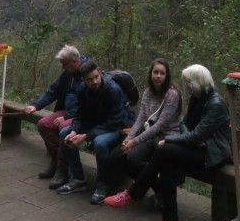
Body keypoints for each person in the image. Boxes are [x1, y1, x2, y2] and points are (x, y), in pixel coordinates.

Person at [104, 64, 231, 221]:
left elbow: (194, 136)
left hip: (213, 154)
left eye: (189, 82)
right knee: (166, 163)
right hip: (197, 146)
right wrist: (190, 136)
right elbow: (184, 124)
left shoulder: (215, 104)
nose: (187, 85)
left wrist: (171, 139)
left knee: (165, 150)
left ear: (198, 82)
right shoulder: (197, 97)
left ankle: (134, 194)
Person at [56, 60, 136, 205]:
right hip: (95, 123)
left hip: (116, 126)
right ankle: (79, 179)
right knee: (64, 134)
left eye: (96, 77)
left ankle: (102, 184)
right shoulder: (82, 89)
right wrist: (74, 130)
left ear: (100, 72)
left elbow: (115, 121)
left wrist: (86, 136)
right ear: (83, 80)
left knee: (100, 143)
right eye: (89, 79)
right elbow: (79, 114)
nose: (94, 81)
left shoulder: (113, 90)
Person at [105, 58, 182, 197]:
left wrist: (134, 141)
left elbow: (159, 125)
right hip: (151, 136)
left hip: (167, 138)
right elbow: (141, 119)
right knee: (124, 157)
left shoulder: (172, 95)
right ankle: (160, 190)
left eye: (162, 73)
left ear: (167, 76)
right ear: (150, 73)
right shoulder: (147, 92)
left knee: (138, 160)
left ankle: (151, 193)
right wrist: (128, 139)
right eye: (155, 72)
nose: (158, 76)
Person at [23, 45, 86, 189]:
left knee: (63, 128)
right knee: (44, 124)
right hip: (67, 112)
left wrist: (68, 116)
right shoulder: (67, 74)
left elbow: (89, 103)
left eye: (64, 64)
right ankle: (56, 160)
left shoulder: (88, 73)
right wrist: (36, 105)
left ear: (75, 61)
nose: (62, 67)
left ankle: (62, 169)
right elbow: (52, 90)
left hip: (82, 115)